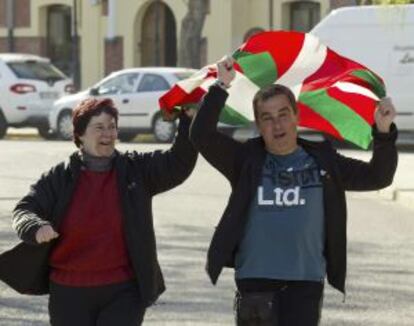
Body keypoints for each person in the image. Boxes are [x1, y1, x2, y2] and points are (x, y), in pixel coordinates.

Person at [190, 56, 398, 326]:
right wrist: (221, 86)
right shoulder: (245, 160)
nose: (277, 125)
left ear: (296, 117)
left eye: (283, 115)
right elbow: (201, 136)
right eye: (267, 118)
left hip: (305, 283)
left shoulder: (323, 161)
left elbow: (378, 176)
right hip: (256, 282)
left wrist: (383, 132)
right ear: (258, 124)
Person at [0, 98, 197, 326]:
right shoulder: (60, 177)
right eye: (99, 127)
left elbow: (178, 163)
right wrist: (34, 227)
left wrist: (187, 121)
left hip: (124, 290)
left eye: (112, 126)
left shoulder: (135, 170)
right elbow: (25, 208)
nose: (108, 133)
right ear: (80, 135)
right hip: (69, 292)